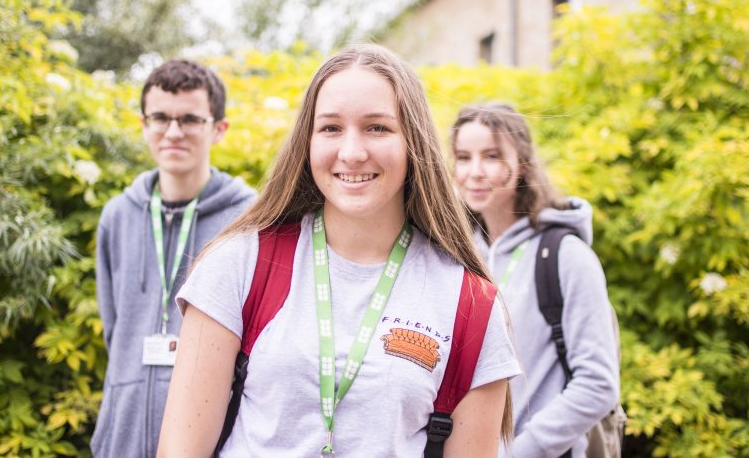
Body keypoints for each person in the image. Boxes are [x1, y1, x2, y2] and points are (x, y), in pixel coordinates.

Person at [157, 44, 521, 457]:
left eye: (377, 128)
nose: (351, 152)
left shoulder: (471, 305)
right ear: (307, 142)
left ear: (413, 142)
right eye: (330, 128)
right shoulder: (237, 265)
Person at [91, 59, 256, 457]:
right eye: (161, 118)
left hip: (207, 440)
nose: (174, 132)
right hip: (122, 437)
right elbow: (115, 329)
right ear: (144, 124)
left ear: (219, 128)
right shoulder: (117, 215)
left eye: (190, 120)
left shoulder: (248, 220)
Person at [451, 103, 620, 457]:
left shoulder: (567, 256)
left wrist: (519, 452)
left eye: (492, 156)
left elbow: (598, 386)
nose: (475, 172)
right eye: (463, 157)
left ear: (523, 165)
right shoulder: (457, 255)